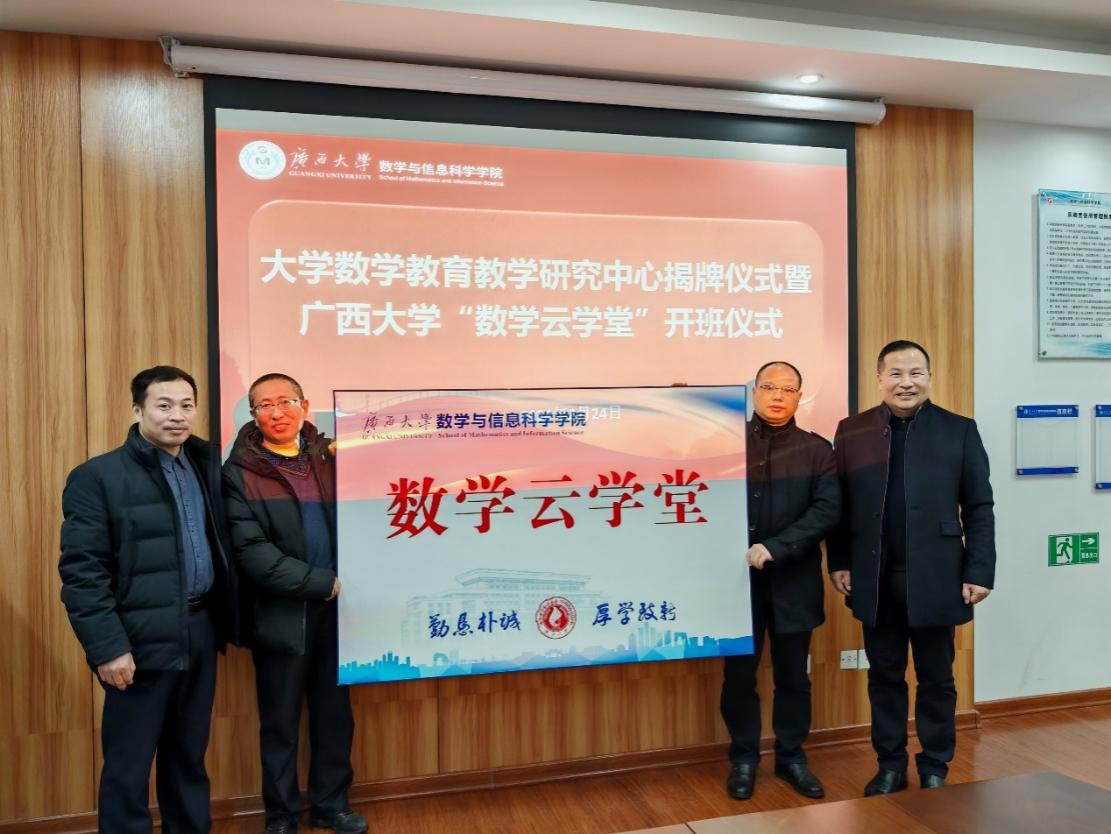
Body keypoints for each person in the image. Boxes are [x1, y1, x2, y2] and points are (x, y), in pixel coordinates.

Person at [59, 365, 236, 834]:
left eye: (186, 405)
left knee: (188, 756)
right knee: (128, 765)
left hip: (200, 629)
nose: (177, 415)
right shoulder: (97, 477)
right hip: (137, 641)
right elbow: (82, 574)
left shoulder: (206, 466)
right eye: (164, 405)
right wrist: (108, 648)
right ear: (137, 410)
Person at [829, 340, 995, 796]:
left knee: (937, 678)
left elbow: (979, 506)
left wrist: (979, 570)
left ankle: (935, 764)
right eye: (896, 373)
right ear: (879, 378)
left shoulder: (959, 430)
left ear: (929, 377)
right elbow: (839, 506)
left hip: (939, 577)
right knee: (883, 677)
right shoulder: (852, 431)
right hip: (875, 579)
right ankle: (890, 765)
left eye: (916, 373)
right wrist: (839, 561)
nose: (906, 383)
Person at [222, 373, 367, 834]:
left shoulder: (329, 458)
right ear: (253, 416)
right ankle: (282, 815)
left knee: (334, 717)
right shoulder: (238, 473)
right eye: (264, 405)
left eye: (286, 401)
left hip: (337, 613)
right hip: (281, 614)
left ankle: (331, 805)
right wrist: (317, 582)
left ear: (305, 406)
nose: (277, 412)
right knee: (280, 723)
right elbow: (252, 552)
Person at [720, 361, 841, 800]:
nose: (777, 395)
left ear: (799, 397)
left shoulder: (817, 450)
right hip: (735, 584)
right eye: (769, 386)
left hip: (794, 580)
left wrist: (776, 546)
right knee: (739, 677)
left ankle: (792, 758)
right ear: (754, 391)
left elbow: (827, 511)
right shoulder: (725, 444)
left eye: (788, 389)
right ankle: (744, 759)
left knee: (793, 677)